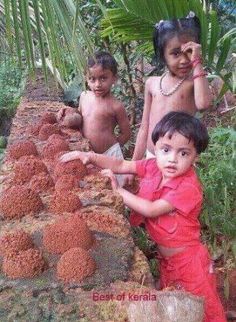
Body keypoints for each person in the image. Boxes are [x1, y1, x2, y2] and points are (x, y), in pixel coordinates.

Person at [60, 112, 226, 322]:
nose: (172, 159)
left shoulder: (188, 186)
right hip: (168, 261)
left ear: (196, 157)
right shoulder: (152, 166)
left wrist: (118, 191)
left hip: (189, 262)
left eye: (183, 153)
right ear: (155, 147)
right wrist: (90, 156)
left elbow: (151, 209)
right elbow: (121, 165)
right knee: (177, 308)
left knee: (203, 307)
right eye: (166, 150)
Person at [132, 12, 212, 162]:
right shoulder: (152, 83)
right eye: (175, 53)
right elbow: (144, 127)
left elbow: (204, 103)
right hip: (151, 158)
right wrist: (133, 165)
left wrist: (197, 62)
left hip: (176, 162)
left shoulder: (193, 83)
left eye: (189, 52)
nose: (184, 60)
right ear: (163, 56)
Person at [58, 51, 131, 185]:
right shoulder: (84, 96)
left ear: (114, 78)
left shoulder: (116, 106)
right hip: (86, 151)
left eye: (103, 78)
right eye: (92, 79)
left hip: (109, 154)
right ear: (86, 78)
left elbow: (126, 133)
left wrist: (112, 148)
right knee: (95, 184)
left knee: (116, 186)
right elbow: (80, 115)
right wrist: (69, 112)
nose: (97, 84)